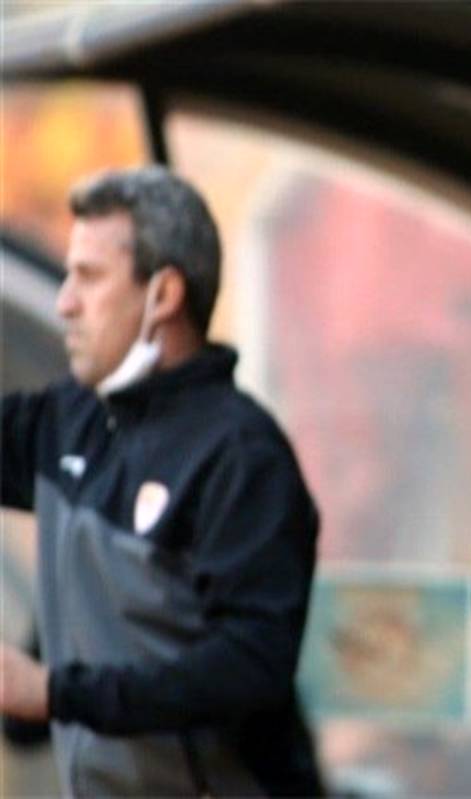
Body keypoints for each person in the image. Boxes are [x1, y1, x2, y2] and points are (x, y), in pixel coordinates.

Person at [0, 166, 324, 796]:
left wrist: (57, 692)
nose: (66, 302)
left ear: (164, 294)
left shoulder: (241, 456)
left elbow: (249, 666)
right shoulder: (69, 420)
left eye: (89, 277)